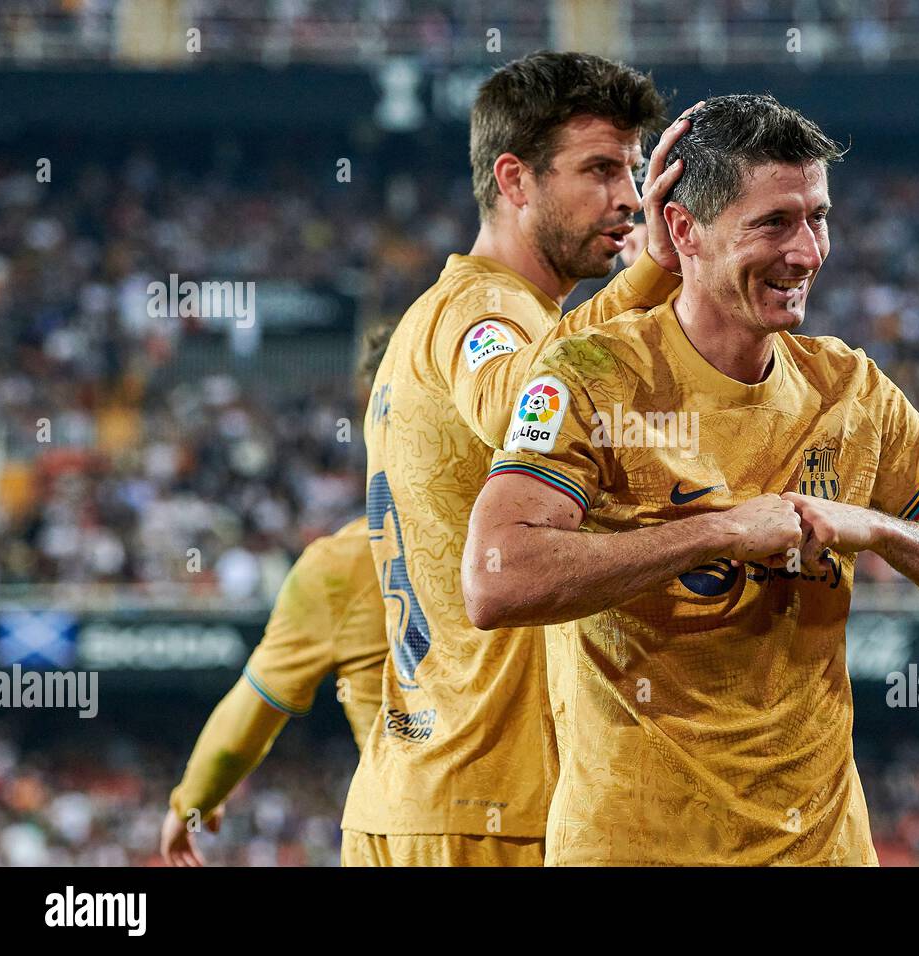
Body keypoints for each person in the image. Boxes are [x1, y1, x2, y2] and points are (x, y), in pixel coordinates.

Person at [462, 93, 919, 865]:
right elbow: (495, 579)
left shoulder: (851, 390)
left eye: (818, 217)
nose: (806, 251)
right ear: (683, 231)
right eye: (773, 223)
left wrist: (876, 528)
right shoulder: (594, 373)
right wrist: (722, 531)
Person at [340, 51, 698, 866]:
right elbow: (520, 405)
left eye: (635, 169)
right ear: (515, 179)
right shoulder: (485, 314)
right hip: (486, 810)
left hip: (432, 797)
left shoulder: (452, 314)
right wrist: (650, 274)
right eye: (600, 169)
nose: (631, 199)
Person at [160, 320, 396, 867]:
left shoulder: (343, 563)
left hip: (409, 839)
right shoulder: (550, 537)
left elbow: (247, 719)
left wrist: (191, 802)